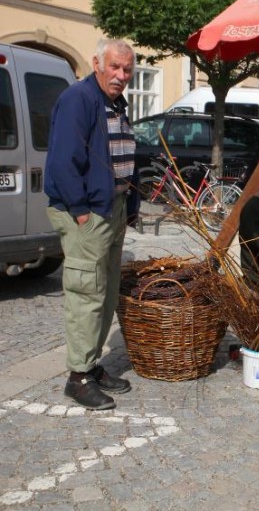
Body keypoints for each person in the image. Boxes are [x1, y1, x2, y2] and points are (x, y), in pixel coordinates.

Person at [44, 39, 140, 410]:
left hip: (110, 208)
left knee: (107, 289)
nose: (121, 76)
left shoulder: (114, 102)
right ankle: (78, 377)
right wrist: (82, 210)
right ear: (97, 62)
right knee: (87, 291)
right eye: (115, 67)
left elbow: (123, 154)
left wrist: (128, 206)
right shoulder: (79, 98)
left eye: (127, 70)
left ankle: (92, 363)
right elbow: (63, 161)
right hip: (88, 211)